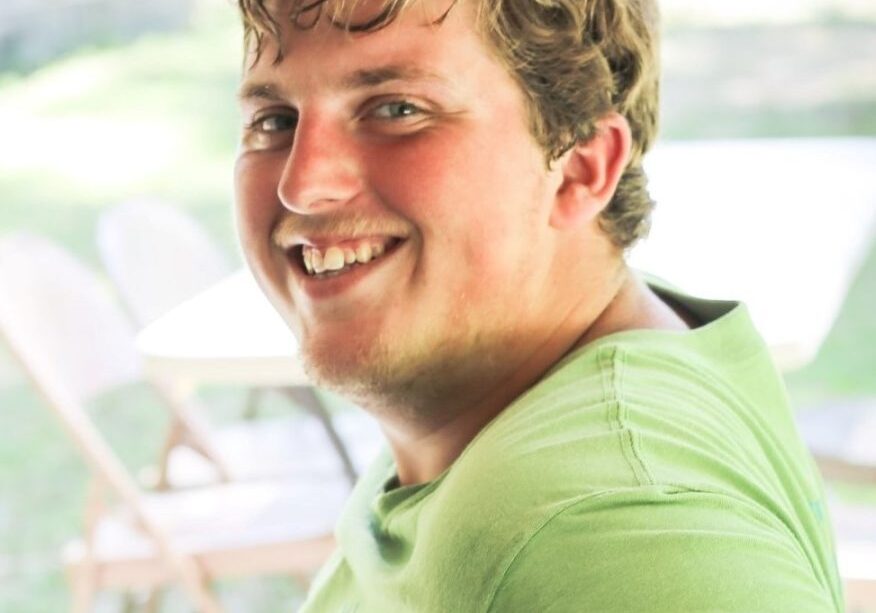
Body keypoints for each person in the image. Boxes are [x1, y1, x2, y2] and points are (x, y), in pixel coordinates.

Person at [232, 0, 843, 609]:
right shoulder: (488, 403)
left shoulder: (602, 524)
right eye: (274, 120)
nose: (303, 184)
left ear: (580, 170)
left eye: (398, 110)